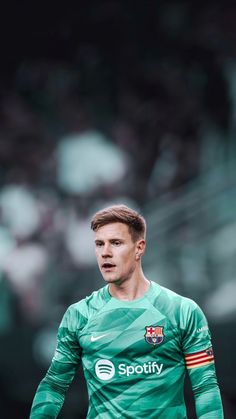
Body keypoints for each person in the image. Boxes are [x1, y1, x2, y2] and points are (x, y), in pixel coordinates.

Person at [30, 204, 224, 418]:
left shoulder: (182, 311)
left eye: (116, 243)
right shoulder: (79, 315)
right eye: (99, 244)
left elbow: (205, 387)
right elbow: (54, 385)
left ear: (139, 248)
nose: (105, 252)